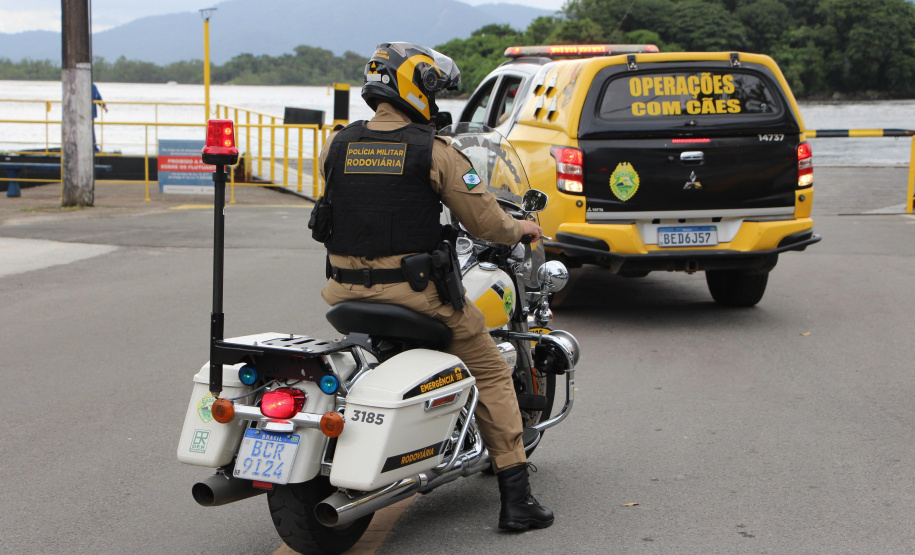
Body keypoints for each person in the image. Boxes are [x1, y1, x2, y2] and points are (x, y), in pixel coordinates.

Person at [315, 42, 553, 531]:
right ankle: (517, 498)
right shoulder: (436, 151)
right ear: (416, 87)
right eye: (434, 86)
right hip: (417, 298)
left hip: (344, 298)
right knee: (489, 366)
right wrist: (521, 229)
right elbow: (486, 222)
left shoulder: (337, 145)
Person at [91, 83, 108, 152]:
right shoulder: (80, 86)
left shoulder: (93, 87)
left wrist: (104, 106)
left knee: (91, 130)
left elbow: (98, 97)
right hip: (81, 115)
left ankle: (94, 147)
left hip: (91, 114)